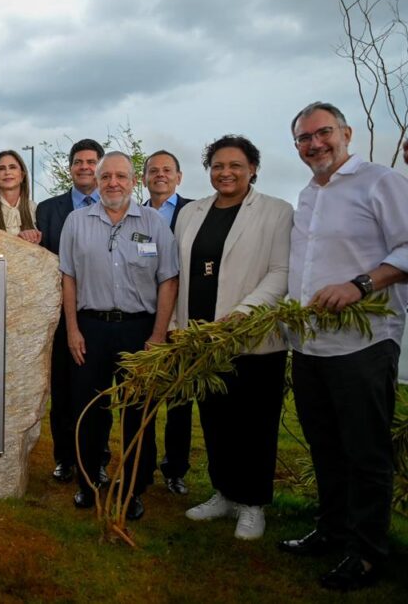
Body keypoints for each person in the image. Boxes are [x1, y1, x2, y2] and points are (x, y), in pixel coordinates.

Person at [279, 102, 408, 591]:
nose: (315, 144)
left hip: (364, 343)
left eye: (323, 133)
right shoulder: (308, 194)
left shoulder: (381, 182)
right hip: (311, 346)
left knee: (365, 452)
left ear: (346, 133)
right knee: (325, 446)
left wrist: (360, 284)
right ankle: (331, 530)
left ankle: (368, 551)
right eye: (304, 138)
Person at [173, 136, 292, 540]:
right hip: (203, 339)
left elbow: (280, 272)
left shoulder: (276, 212)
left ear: (252, 168)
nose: (226, 173)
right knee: (215, 420)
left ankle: (253, 503)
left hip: (253, 339)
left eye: (235, 165)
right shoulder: (191, 213)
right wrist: (178, 325)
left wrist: (242, 313)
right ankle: (224, 493)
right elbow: (182, 272)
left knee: (254, 423)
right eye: (218, 166)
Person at [59, 151, 179, 520]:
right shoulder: (76, 222)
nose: (113, 183)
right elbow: (68, 278)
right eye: (106, 176)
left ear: (134, 182)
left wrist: (158, 334)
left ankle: (133, 487)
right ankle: (88, 481)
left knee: (137, 412)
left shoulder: (154, 223)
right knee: (87, 409)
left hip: (140, 330)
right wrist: (72, 329)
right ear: (97, 181)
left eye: (121, 176)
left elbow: (168, 279)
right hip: (90, 328)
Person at [36, 139, 104, 485]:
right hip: (61, 315)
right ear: (70, 168)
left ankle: (98, 459)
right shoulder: (48, 210)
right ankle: (64, 457)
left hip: (101, 312)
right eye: (78, 162)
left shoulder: (115, 208)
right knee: (62, 389)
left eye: (91, 162)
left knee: (97, 393)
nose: (84, 167)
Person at [141, 149, 193, 495]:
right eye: (153, 170)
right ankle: (142, 467)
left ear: (179, 176)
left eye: (167, 170)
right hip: (145, 317)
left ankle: (175, 470)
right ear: (144, 178)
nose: (160, 175)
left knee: (179, 400)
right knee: (142, 399)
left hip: (183, 319)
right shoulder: (136, 215)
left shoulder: (194, 212)